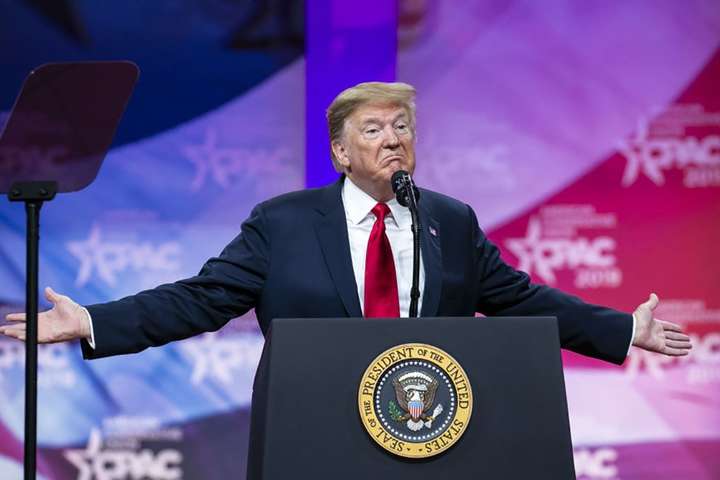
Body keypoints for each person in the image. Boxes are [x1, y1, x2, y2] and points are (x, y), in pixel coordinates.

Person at [1, 82, 691, 365]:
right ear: (339, 151)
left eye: (402, 127)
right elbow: (201, 299)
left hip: (430, 425)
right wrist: (91, 321)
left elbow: (518, 297)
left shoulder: (448, 220)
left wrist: (619, 329)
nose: (393, 139)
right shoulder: (284, 223)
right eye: (373, 129)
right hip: (316, 428)